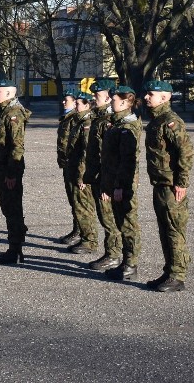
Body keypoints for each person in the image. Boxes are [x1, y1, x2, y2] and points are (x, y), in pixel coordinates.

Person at [142, 80, 194, 293]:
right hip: (160, 185)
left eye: (151, 94)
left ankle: (177, 275)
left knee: (174, 230)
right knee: (164, 230)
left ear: (165, 97)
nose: (146, 97)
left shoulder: (171, 122)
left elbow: (186, 153)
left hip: (172, 186)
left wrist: (181, 183)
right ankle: (169, 270)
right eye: (147, 93)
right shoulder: (157, 121)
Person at [0, 79, 31, 264]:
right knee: (8, 208)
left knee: (13, 209)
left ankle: (15, 250)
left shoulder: (13, 114)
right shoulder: (3, 111)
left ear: (10, 94)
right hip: (2, 168)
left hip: (9, 170)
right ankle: (15, 244)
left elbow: (17, 146)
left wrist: (12, 173)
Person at [100, 86, 143, 282]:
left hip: (123, 184)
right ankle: (125, 263)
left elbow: (127, 162)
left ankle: (130, 266)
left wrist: (118, 186)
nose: (111, 102)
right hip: (115, 182)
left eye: (114, 99)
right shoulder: (117, 124)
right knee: (121, 223)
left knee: (128, 225)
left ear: (125, 102)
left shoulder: (127, 127)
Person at [81, 79, 122, 271]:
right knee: (103, 216)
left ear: (107, 97)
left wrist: (109, 183)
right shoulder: (98, 118)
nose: (93, 99)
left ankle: (113, 255)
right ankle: (110, 253)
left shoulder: (109, 121)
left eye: (96, 96)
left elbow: (111, 157)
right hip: (98, 176)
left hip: (106, 177)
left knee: (109, 218)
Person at [64, 91, 98, 255]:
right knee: (78, 206)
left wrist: (82, 175)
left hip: (81, 173)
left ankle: (89, 240)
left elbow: (86, 152)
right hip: (73, 169)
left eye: (78, 104)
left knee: (84, 207)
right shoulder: (78, 121)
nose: (75, 106)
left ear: (87, 105)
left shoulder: (87, 123)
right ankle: (84, 236)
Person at [56, 92, 80, 244]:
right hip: (67, 163)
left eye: (67, 101)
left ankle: (81, 232)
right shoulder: (67, 117)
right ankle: (76, 229)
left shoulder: (75, 118)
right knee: (72, 199)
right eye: (63, 100)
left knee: (77, 200)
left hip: (73, 164)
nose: (64, 103)